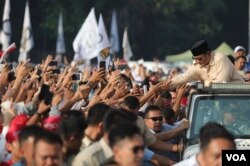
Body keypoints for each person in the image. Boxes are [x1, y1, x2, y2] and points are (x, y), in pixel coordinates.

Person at [171, 39, 244, 88]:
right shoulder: (198, 65)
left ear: (208, 53)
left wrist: (203, 84)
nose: (197, 61)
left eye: (199, 58)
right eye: (195, 59)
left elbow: (221, 84)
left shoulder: (220, 58)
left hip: (239, 97)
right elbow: (184, 77)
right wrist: (165, 84)